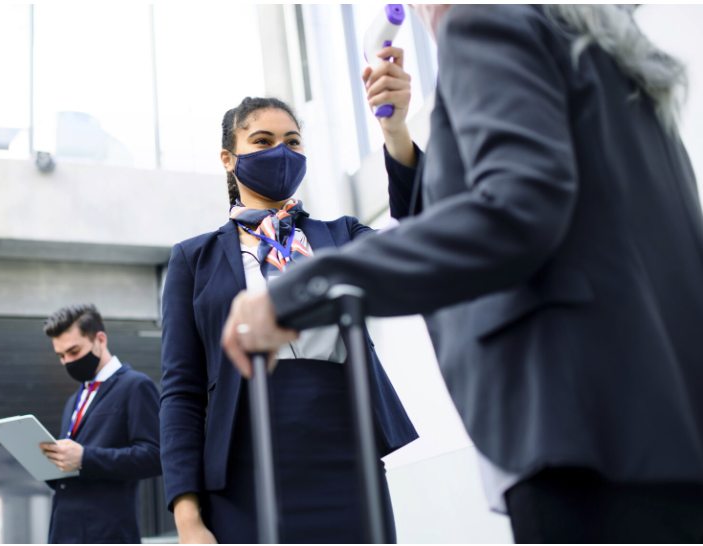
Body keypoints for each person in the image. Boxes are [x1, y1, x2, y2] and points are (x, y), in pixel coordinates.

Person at [221, 5, 703, 543]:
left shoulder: (485, 21)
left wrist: (298, 290)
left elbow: (505, 218)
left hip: (578, 426)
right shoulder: (607, 44)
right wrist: (398, 135)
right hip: (669, 425)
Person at [160, 96, 418, 544]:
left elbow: (418, 248)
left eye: (293, 142)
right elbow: (181, 392)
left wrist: (396, 135)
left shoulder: (341, 236)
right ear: (228, 158)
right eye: (262, 141)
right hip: (242, 465)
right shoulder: (193, 260)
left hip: (347, 451)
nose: (281, 152)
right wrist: (187, 517)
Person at [40, 304, 162, 544]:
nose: (67, 362)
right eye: (61, 356)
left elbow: (155, 456)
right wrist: (50, 465)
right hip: (63, 534)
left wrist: (86, 458)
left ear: (100, 340)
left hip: (108, 534)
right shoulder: (73, 401)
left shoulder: (136, 386)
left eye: (74, 351)